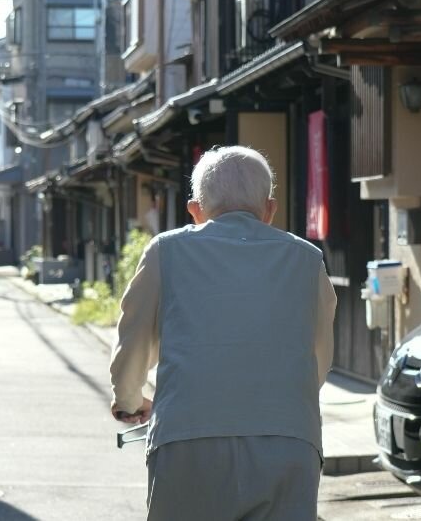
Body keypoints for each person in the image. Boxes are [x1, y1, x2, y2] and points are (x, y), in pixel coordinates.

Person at [109, 145, 337, 521]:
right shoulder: (306, 259)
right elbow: (318, 360)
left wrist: (129, 400)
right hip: (287, 439)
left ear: (195, 210)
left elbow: (133, 341)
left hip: (188, 440)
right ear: (269, 209)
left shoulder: (166, 251)